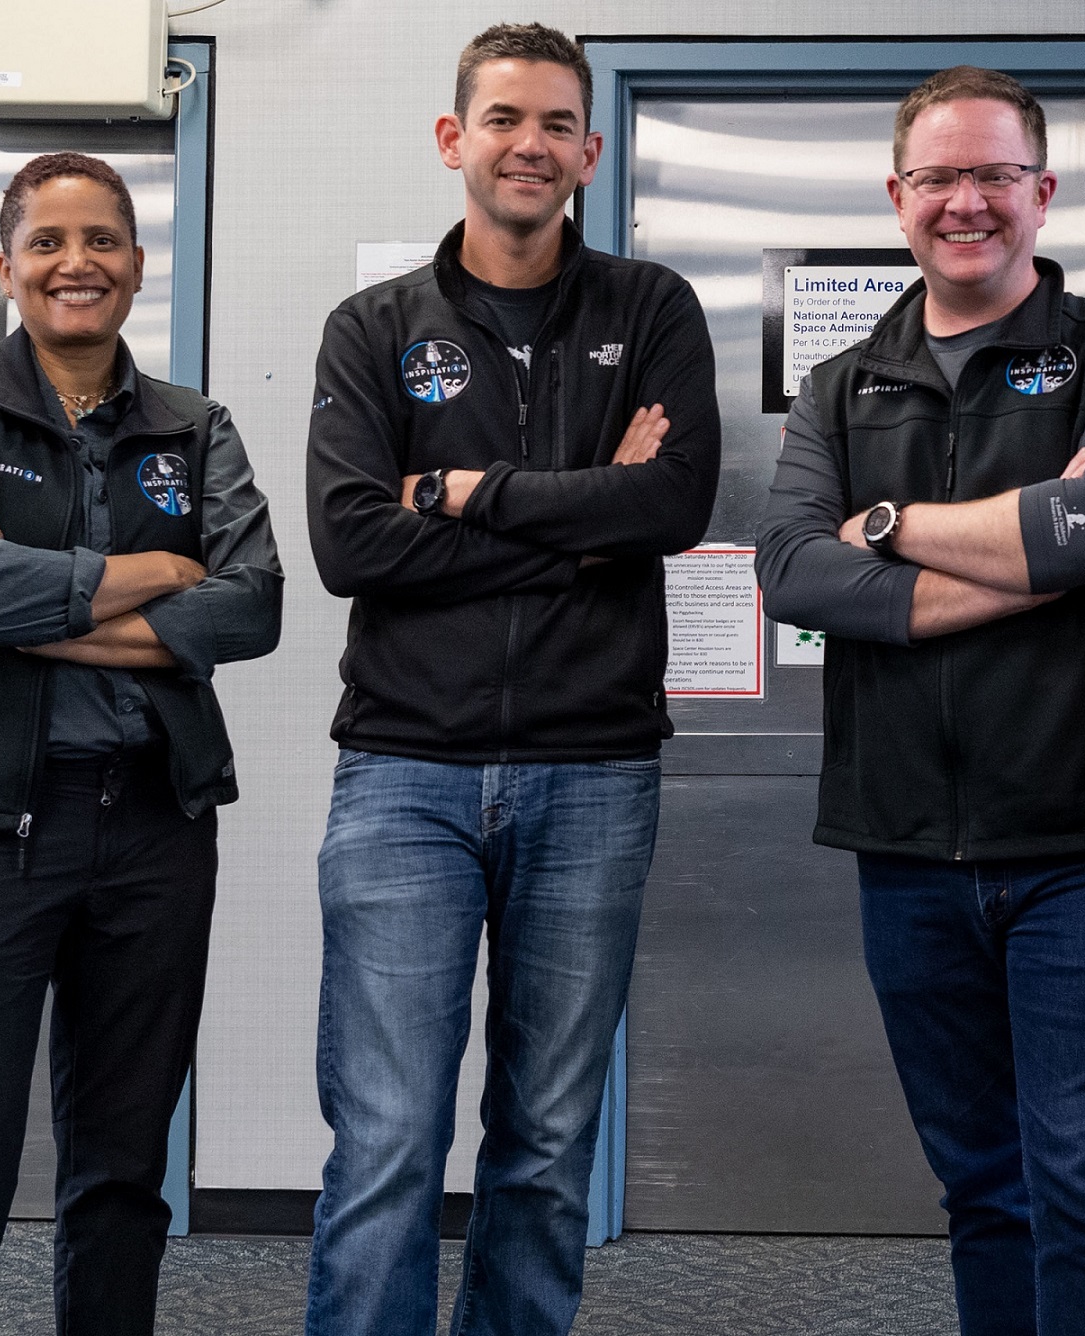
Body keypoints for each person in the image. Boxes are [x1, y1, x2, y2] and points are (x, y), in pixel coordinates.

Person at [755, 66, 1085, 1336]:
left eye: (995, 175)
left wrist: (885, 527)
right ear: (897, 197)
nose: (967, 203)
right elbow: (793, 569)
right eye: (940, 177)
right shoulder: (844, 386)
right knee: (983, 1189)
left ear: (1044, 193)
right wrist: (1026, 556)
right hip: (908, 848)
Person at [302, 22, 719, 1336]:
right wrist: (579, 526)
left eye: (554, 124)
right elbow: (348, 541)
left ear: (589, 151)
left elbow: (673, 504)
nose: (529, 144)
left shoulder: (649, 309)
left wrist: (471, 496)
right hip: (402, 774)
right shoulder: (372, 330)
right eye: (503, 119)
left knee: (544, 1148)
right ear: (453, 140)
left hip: (593, 771)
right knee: (385, 1146)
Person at [0, 151, 283, 1335]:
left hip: (153, 824)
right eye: (47, 243)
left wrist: (42, 616)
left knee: (125, 1171)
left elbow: (254, 608)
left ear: (137, 265)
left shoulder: (196, 427)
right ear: (7, 266)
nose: (74, 263)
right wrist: (154, 580)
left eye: (100, 242)